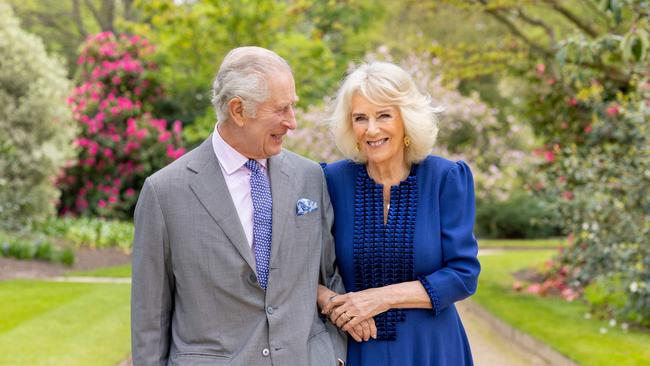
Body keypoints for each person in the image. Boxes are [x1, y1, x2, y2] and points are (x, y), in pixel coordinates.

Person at [131, 46, 356, 366]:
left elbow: (330, 274)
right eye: (281, 109)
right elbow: (149, 318)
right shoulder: (164, 192)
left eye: (292, 107)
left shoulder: (309, 177)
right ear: (238, 110)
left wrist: (333, 354)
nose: (292, 122)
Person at [318, 61, 481, 366]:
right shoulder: (329, 182)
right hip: (357, 349)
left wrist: (378, 298)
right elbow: (299, 271)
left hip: (433, 350)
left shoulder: (446, 178)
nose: (372, 129)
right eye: (360, 118)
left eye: (383, 115)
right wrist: (332, 304)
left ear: (406, 119)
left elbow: (463, 275)